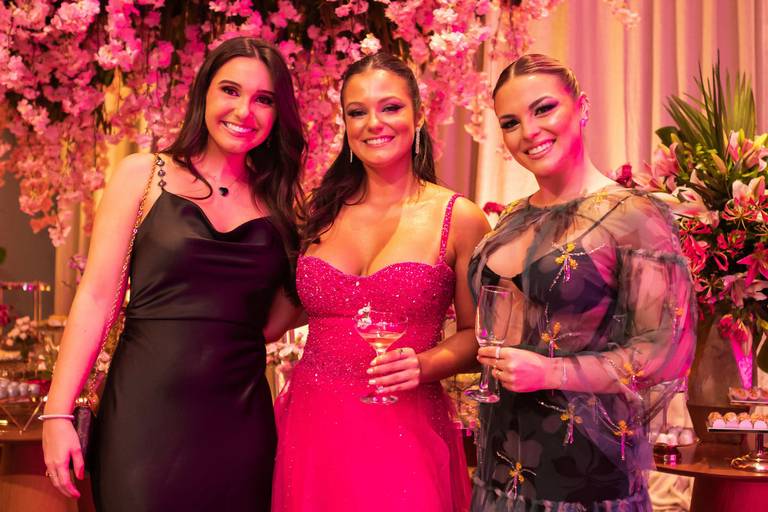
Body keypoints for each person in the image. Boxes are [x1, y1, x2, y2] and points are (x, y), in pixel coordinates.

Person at [41, 37, 305, 512]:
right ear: (204, 92)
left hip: (240, 425)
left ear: (277, 113)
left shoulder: (283, 207)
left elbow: (276, 318)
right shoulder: (142, 175)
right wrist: (57, 413)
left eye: (263, 99)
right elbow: (96, 298)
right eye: (230, 90)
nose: (243, 111)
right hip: (142, 417)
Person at [467, 54, 696, 511]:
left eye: (544, 109)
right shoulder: (511, 218)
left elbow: (666, 351)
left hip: (585, 481)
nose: (529, 131)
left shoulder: (634, 215)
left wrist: (550, 372)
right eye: (510, 122)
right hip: (499, 471)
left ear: (583, 107)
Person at [271, 53, 489, 512]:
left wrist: (424, 365)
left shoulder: (460, 218)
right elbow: (276, 318)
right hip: (312, 428)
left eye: (390, 107)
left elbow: (478, 337)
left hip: (405, 429)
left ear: (419, 116)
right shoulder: (317, 213)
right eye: (358, 111)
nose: (374, 123)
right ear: (345, 124)